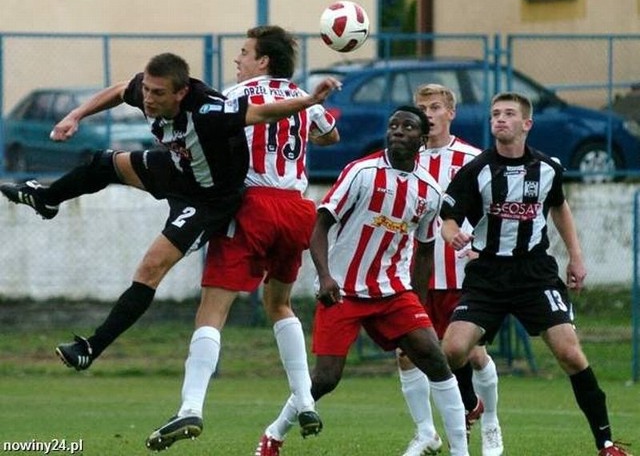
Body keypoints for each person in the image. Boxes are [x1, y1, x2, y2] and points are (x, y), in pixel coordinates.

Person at [0, 52, 340, 373]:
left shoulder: (209, 110)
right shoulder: (146, 93)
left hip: (209, 200)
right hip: (178, 169)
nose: (148, 99)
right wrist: (75, 116)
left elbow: (261, 113)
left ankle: (91, 347)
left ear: (181, 93)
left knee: (151, 268)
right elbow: (121, 91)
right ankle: (46, 199)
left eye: (157, 93)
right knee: (104, 163)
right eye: (146, 89)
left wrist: (310, 101)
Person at [145, 26, 340, 452]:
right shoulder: (302, 98)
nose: (238, 59)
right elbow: (331, 135)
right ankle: (305, 400)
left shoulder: (234, 97)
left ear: (263, 60)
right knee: (280, 303)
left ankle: (190, 406)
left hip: (253, 204)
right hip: (297, 208)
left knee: (212, 309)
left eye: (245, 52)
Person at [255, 106, 470, 456]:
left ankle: (461, 452)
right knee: (325, 379)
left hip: (394, 291)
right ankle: (274, 434)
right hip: (343, 291)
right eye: (393, 125)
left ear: (422, 137)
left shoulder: (429, 189)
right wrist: (325, 276)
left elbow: (426, 250)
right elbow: (320, 224)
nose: (398, 131)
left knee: (435, 360)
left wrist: (417, 302)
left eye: (408, 126)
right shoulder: (362, 172)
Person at [440, 91, 631, 456]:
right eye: (495, 113)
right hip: (488, 274)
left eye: (509, 114)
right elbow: (447, 219)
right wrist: (454, 236)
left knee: (570, 354)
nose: (500, 119)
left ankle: (606, 443)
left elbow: (559, 206)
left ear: (526, 124)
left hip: (534, 274)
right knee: (452, 349)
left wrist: (576, 257)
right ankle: (470, 405)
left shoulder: (547, 168)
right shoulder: (477, 170)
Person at [397, 83, 503, 456]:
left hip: (462, 273)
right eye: (423, 107)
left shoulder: (473, 158)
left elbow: (494, 209)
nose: (428, 113)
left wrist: (482, 251)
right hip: (416, 273)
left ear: (450, 113)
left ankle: (490, 421)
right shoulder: (409, 158)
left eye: (436, 106)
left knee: (472, 354)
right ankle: (426, 432)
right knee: (408, 353)